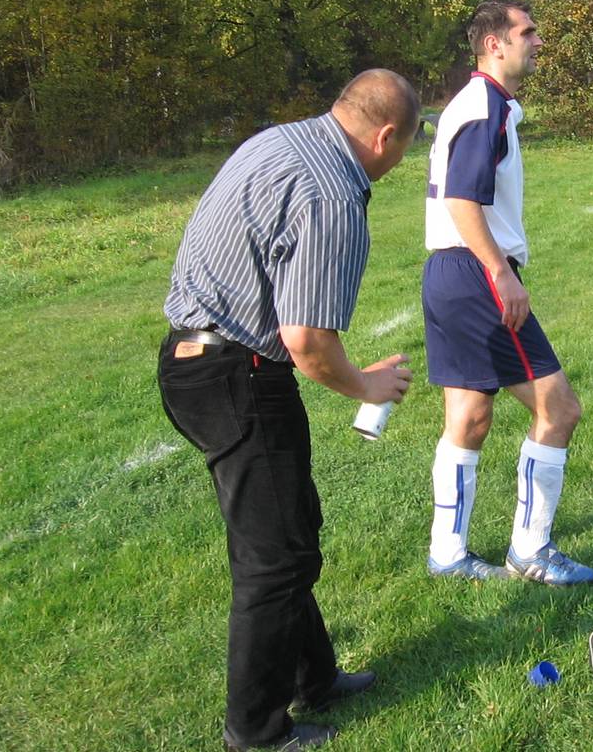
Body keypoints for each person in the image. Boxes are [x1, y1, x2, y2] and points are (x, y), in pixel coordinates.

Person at [157, 69, 419, 752]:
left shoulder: (279, 141)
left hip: (194, 359)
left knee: (289, 533)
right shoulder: (331, 192)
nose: (397, 164)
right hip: (235, 375)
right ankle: (256, 733)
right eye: (403, 150)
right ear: (386, 136)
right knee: (273, 559)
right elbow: (306, 341)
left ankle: (317, 678)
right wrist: (365, 386)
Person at [421, 0, 593, 587]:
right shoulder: (485, 106)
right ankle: (531, 549)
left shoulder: (478, 103)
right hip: (476, 275)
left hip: (448, 274)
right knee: (559, 408)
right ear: (494, 44)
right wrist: (500, 272)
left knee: (469, 415)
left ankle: (447, 554)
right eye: (528, 32)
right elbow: (461, 199)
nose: (538, 42)